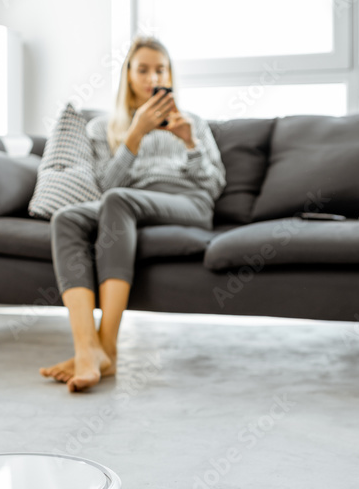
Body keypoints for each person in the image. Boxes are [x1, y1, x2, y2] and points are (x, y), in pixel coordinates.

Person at [38, 36, 226, 392]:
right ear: (128, 75)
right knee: (67, 218)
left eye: (160, 69)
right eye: (143, 70)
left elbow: (213, 185)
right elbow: (109, 186)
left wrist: (189, 143)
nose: (152, 78)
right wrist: (135, 134)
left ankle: (105, 348)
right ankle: (86, 348)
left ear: (170, 75)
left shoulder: (195, 123)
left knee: (120, 201)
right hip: (129, 201)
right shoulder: (103, 128)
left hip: (187, 202)